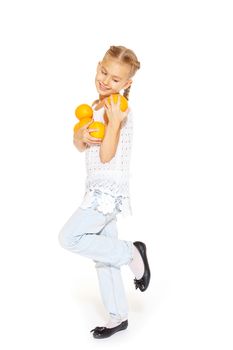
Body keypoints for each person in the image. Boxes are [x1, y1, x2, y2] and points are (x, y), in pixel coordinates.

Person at [58, 45, 151, 339]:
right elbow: (81, 146)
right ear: (98, 66)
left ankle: (131, 252)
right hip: (95, 188)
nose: (106, 81)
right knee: (103, 255)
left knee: (69, 237)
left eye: (115, 79)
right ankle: (117, 316)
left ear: (127, 84)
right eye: (103, 72)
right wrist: (80, 135)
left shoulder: (117, 109)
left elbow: (107, 155)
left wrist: (114, 125)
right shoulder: (98, 106)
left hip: (106, 193)